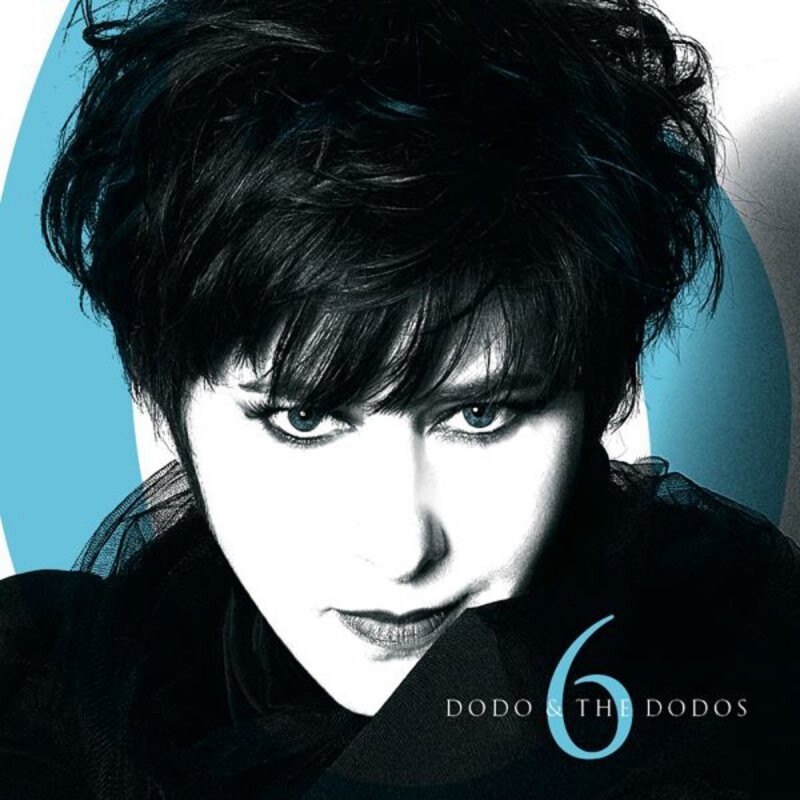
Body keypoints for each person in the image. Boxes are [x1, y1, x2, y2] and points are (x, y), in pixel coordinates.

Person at [0, 0, 797, 797]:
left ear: (600, 395)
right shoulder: (48, 698)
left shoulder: (734, 709)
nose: (401, 549)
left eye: (480, 415)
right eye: (304, 418)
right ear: (159, 400)